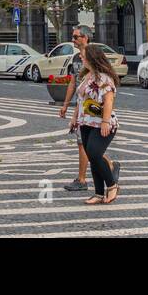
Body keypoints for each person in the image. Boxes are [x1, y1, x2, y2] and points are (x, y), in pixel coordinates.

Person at [69, 44, 120, 205]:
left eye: (83, 55)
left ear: (92, 57)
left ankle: (112, 186)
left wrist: (105, 122)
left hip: (102, 123)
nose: (81, 57)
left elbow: (109, 100)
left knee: (95, 153)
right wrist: (74, 118)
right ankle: (98, 193)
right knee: (91, 156)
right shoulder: (87, 76)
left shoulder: (104, 78)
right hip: (86, 122)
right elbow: (80, 100)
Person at [58, 25, 94, 192]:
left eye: (76, 37)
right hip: (81, 105)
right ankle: (109, 164)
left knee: (84, 144)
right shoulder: (76, 58)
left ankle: (82, 180)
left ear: (85, 38)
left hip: (91, 105)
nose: (73, 39)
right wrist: (66, 105)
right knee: (86, 144)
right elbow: (73, 82)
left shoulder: (94, 56)